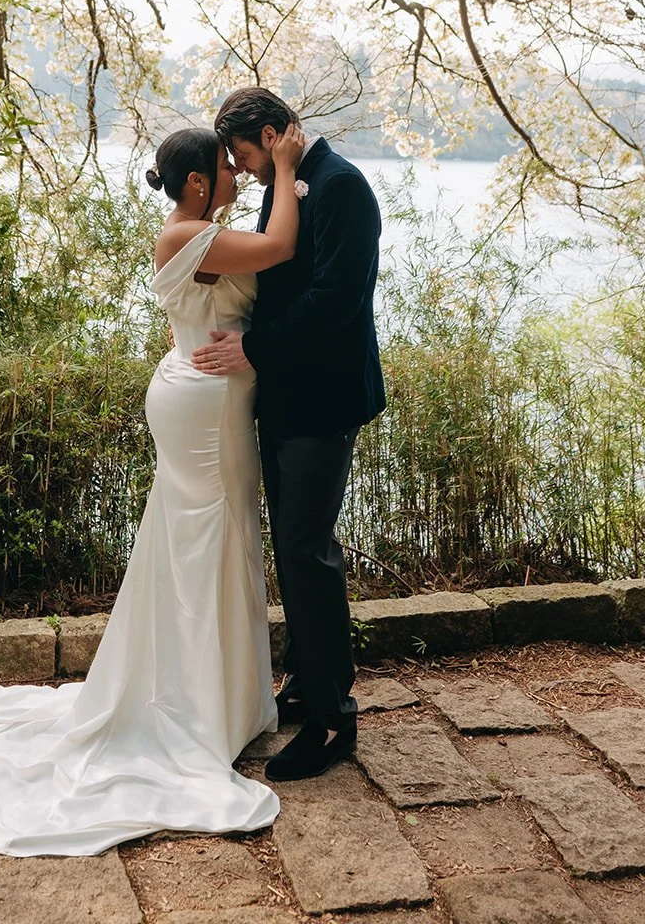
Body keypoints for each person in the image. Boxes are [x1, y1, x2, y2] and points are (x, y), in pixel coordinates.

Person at [0, 121, 305, 856]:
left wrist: (278, 180)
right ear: (199, 185)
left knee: (218, 536)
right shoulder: (184, 237)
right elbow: (277, 248)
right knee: (205, 541)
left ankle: (223, 701)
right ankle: (195, 707)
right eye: (227, 171)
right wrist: (286, 164)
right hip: (203, 411)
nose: (240, 179)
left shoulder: (201, 228)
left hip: (211, 400)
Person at [192, 87, 383, 783]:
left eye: (242, 155)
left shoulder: (342, 187)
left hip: (323, 397)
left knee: (307, 552)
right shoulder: (289, 184)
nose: (238, 172)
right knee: (294, 549)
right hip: (281, 397)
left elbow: (335, 302)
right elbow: (274, 276)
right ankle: (304, 685)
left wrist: (253, 349)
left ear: (273, 134)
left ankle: (334, 716)